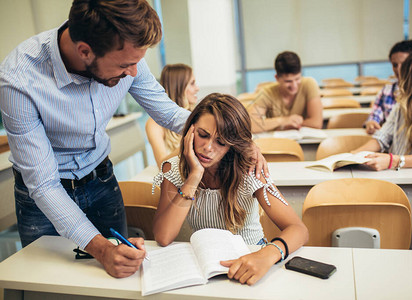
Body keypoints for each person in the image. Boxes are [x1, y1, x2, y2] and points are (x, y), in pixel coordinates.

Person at [0, 0, 268, 278]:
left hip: (100, 182)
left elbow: (169, 113)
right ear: (85, 52)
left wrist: (239, 141)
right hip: (44, 197)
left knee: (121, 276)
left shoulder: (127, 58)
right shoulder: (19, 80)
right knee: (45, 283)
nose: (133, 73)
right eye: (126, 65)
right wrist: (102, 249)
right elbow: (44, 185)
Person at [152, 93, 309, 285]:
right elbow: (163, 236)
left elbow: (298, 229)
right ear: (190, 130)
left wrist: (267, 255)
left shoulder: (249, 169)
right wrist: (194, 176)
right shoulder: (173, 168)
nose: (208, 147)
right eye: (202, 135)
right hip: (208, 265)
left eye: (221, 142)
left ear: (233, 145)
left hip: (253, 257)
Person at [353, 50, 412, 170]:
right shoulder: (400, 108)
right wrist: (352, 156)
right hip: (396, 176)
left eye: (405, 76)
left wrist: (393, 161)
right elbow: (381, 139)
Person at [247, 51, 323, 133]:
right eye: (288, 81)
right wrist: (282, 121)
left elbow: (316, 123)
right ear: (277, 78)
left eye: (297, 79)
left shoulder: (309, 84)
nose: (294, 86)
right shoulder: (267, 92)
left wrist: (287, 126)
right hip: (277, 143)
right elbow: (250, 125)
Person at [146, 64, 199, 166]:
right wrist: (187, 143)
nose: (197, 88)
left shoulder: (195, 114)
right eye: (192, 84)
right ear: (179, 87)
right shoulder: (154, 124)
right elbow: (161, 164)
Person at [364, 40, 412, 134]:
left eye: (404, 64)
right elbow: (376, 112)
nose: (399, 69)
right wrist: (372, 122)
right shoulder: (386, 91)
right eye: (395, 65)